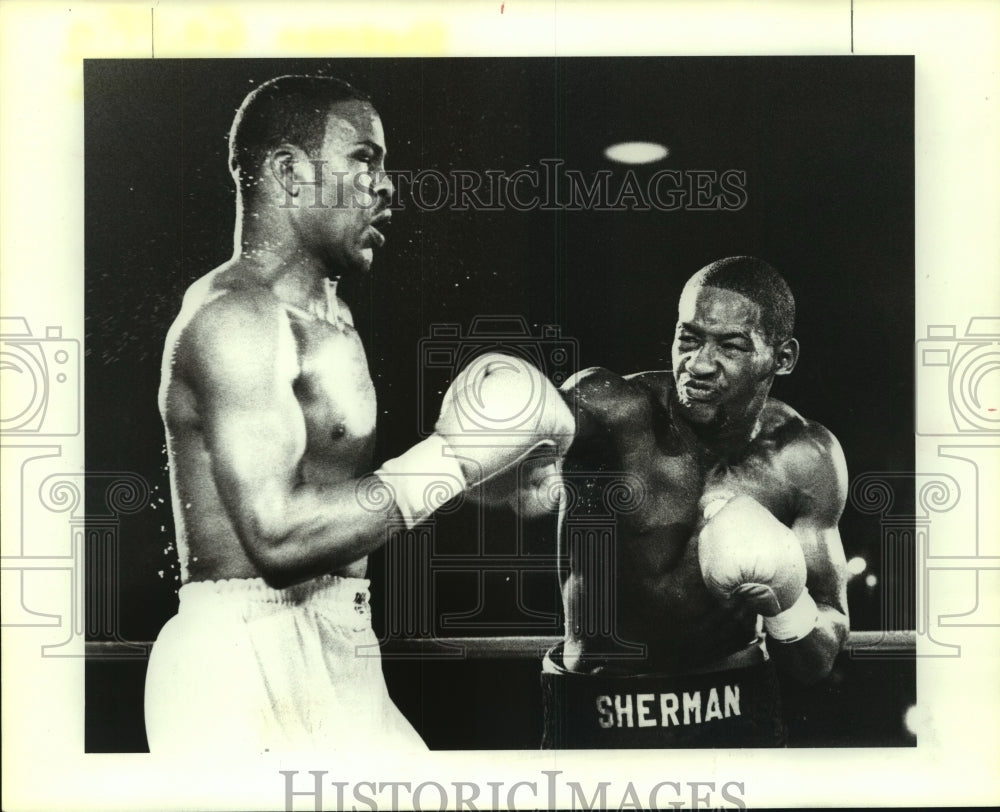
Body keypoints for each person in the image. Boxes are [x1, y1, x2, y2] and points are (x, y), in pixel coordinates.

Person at [144, 75, 573, 754]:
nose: (388, 185)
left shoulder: (335, 322)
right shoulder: (235, 317)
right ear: (288, 173)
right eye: (364, 160)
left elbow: (346, 509)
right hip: (237, 658)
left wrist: (490, 485)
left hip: (342, 640)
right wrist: (454, 458)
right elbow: (278, 539)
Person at [536, 255, 850, 748]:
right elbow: (531, 426)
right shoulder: (612, 410)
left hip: (735, 704)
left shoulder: (803, 459)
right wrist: (508, 425)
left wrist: (789, 603)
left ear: (782, 358)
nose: (699, 364)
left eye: (729, 345)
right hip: (601, 705)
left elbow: (822, 657)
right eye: (689, 337)